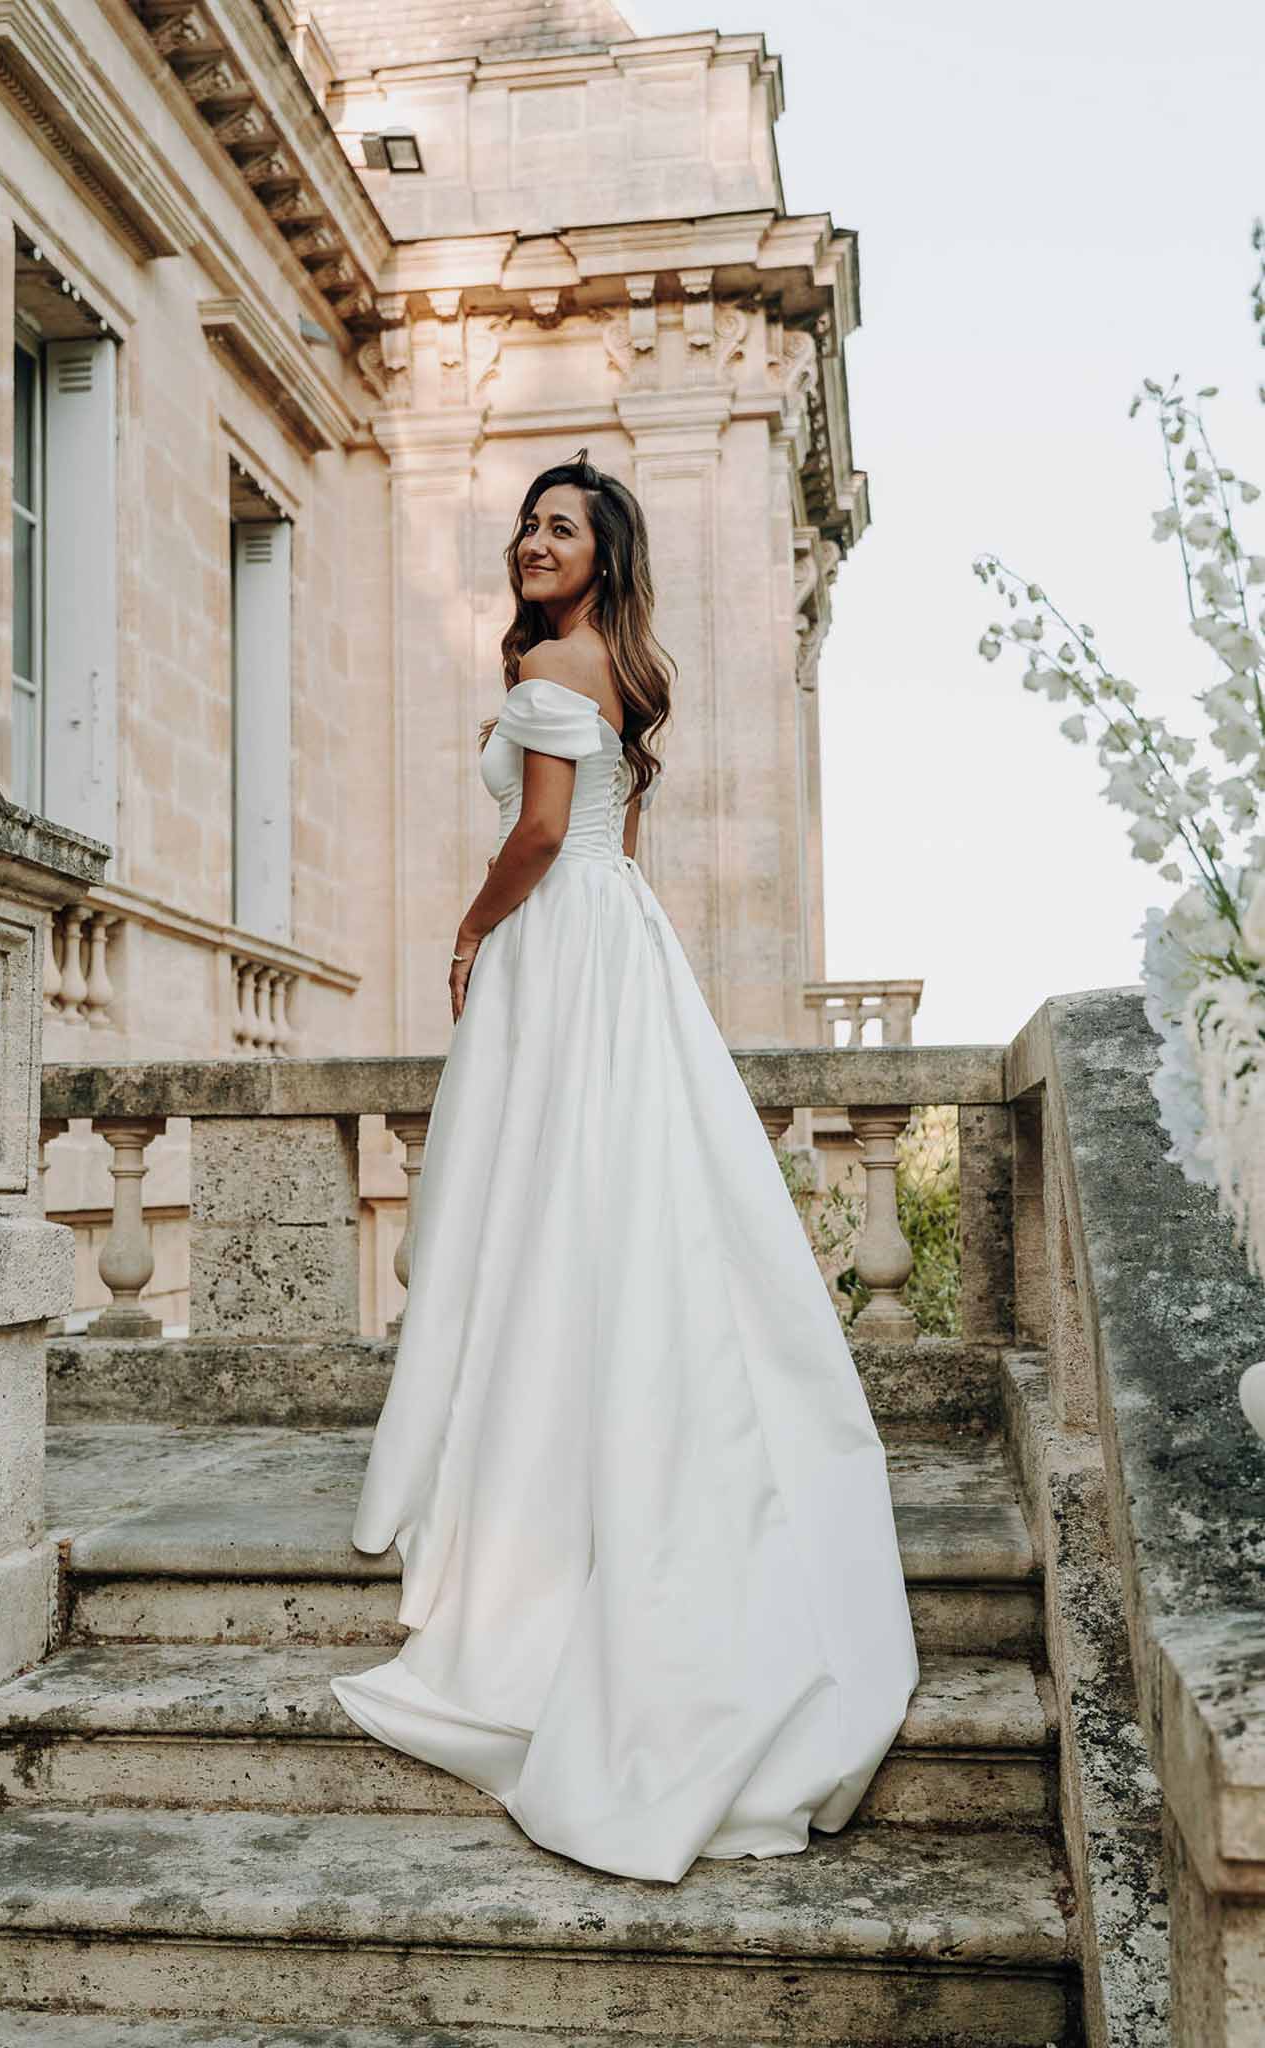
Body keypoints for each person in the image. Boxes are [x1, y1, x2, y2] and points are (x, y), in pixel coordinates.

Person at [330, 450, 918, 1885]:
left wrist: (472, 931)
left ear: (606, 554)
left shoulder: (553, 667)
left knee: (542, 1202)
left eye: (562, 528)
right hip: (618, 944)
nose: (533, 542)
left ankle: (531, 1491)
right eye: (527, 525)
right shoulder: (621, 668)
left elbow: (536, 833)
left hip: (557, 941)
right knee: (612, 1198)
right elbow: (609, 837)